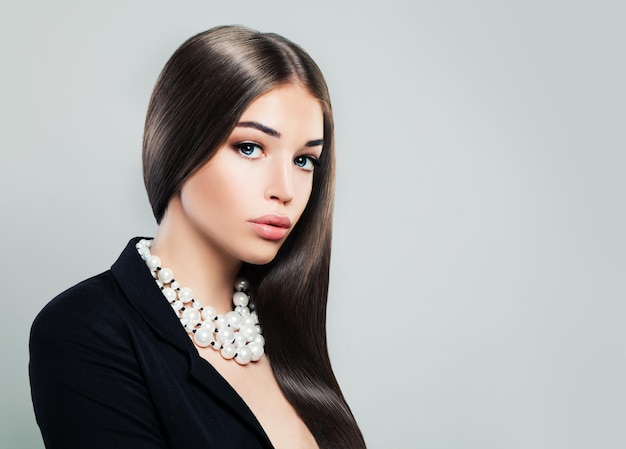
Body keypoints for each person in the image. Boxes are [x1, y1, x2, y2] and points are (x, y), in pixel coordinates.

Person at [29, 25, 366, 449]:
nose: (285, 189)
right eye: (250, 147)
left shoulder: (282, 324)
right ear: (178, 143)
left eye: (304, 160)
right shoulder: (86, 330)